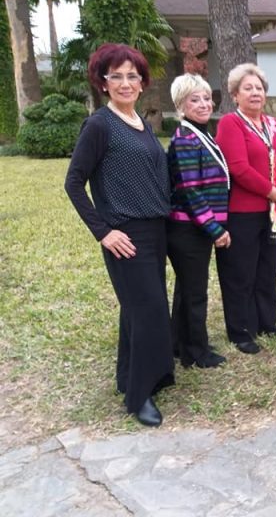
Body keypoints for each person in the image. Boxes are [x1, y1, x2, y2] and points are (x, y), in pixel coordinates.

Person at [64, 43, 174, 427]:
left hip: (155, 230)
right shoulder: (99, 125)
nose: (126, 83)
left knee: (139, 310)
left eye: (133, 76)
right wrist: (104, 232)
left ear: (142, 83)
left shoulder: (142, 123)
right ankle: (138, 396)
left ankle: (130, 376)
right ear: (103, 82)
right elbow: (74, 183)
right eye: (117, 76)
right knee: (149, 312)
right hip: (124, 234)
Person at [215, 63, 276, 354]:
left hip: (272, 212)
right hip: (242, 211)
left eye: (259, 88)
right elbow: (238, 169)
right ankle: (240, 330)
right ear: (235, 95)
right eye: (247, 88)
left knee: (267, 269)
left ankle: (267, 322)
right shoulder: (230, 124)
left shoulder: (274, 124)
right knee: (241, 272)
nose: (255, 93)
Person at [166, 74, 230, 369]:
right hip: (189, 228)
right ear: (181, 105)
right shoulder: (185, 139)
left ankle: (179, 343)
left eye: (206, 98)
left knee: (186, 289)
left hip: (194, 227)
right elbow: (190, 190)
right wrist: (214, 229)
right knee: (195, 293)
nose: (204, 104)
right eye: (195, 99)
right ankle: (197, 352)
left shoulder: (200, 133)